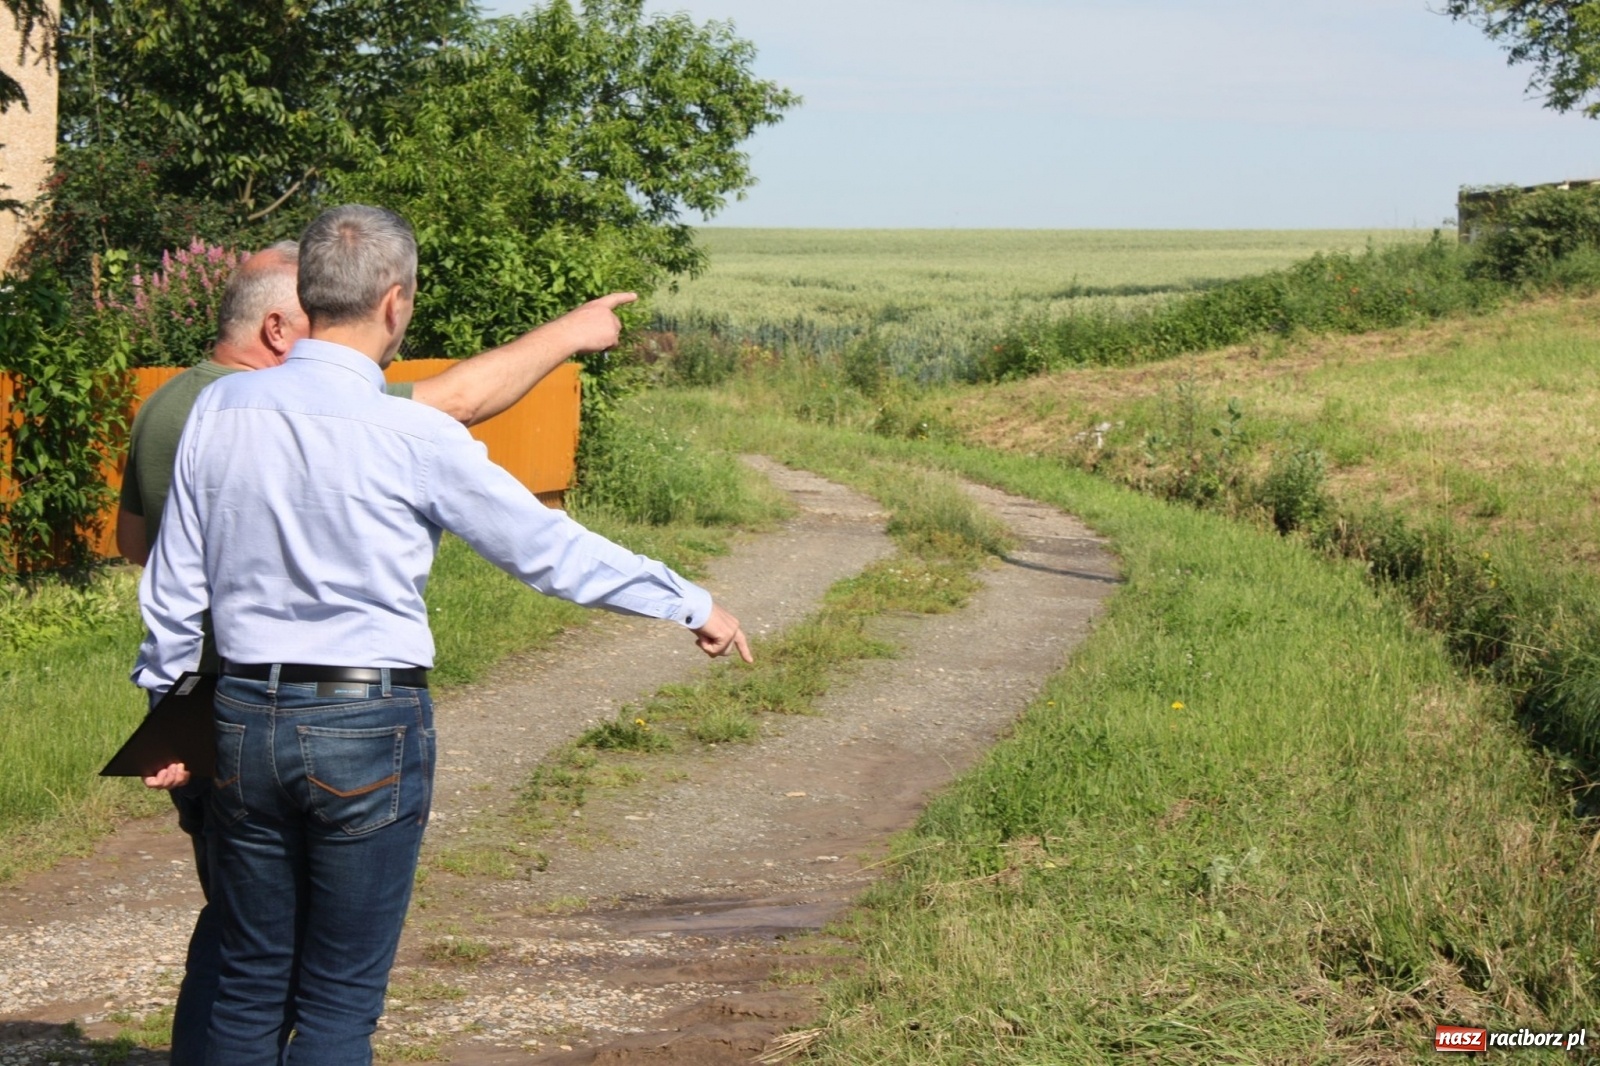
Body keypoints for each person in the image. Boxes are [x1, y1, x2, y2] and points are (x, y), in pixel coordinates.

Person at [133, 203, 750, 1065]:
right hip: (366, 724)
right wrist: (687, 601)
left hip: (239, 716)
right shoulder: (415, 433)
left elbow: (174, 583)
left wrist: (169, 710)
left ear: (311, 296)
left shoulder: (220, 409)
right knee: (338, 1003)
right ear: (395, 302)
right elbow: (545, 550)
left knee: (247, 980)